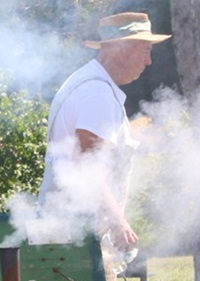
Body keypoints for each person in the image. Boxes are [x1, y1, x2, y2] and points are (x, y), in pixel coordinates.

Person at [37, 12, 171, 253]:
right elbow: (88, 163)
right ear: (121, 49)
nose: (148, 61)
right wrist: (118, 220)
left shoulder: (90, 84)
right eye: (145, 50)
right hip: (76, 237)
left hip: (67, 230)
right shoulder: (98, 94)